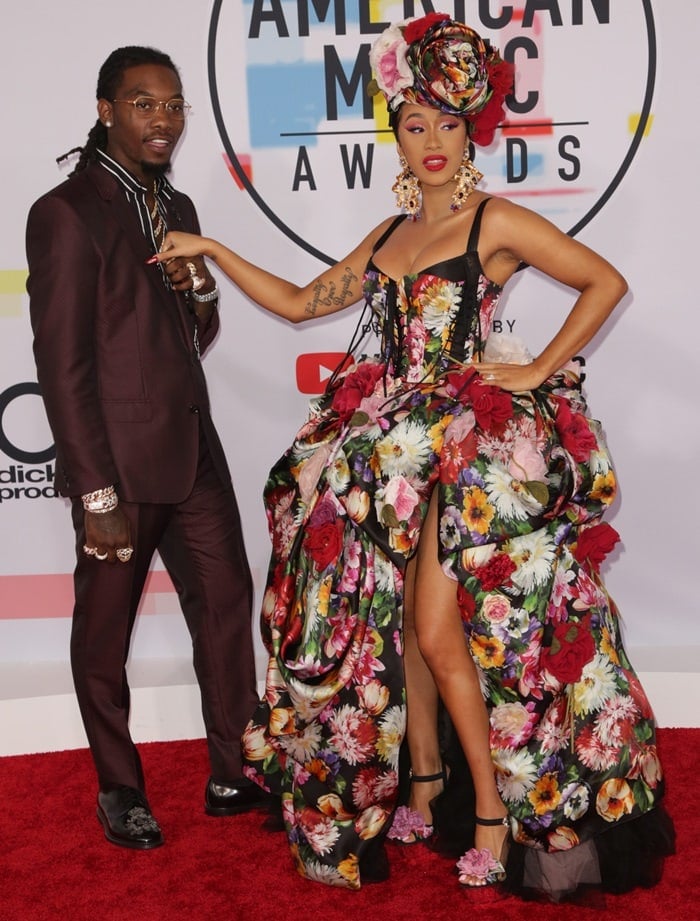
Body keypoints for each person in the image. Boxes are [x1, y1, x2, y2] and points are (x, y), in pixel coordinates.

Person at [153, 14, 674, 897]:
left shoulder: (495, 219)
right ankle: (425, 784)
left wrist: (539, 368)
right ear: (394, 133)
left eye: (445, 122)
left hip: (463, 450)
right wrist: (211, 247)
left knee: (438, 631)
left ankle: (494, 816)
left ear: (471, 130)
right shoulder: (389, 234)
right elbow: (297, 300)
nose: (430, 140)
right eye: (412, 123)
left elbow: (606, 282)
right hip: (390, 447)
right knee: (389, 622)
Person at [25, 46, 267, 851]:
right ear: (105, 110)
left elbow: (192, 331)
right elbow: (62, 367)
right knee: (105, 633)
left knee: (229, 604)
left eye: (173, 106)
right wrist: (93, 492)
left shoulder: (180, 204)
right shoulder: (66, 212)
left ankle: (236, 768)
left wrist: (200, 291)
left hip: (194, 448)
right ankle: (119, 786)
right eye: (143, 104)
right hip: (119, 469)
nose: (163, 119)